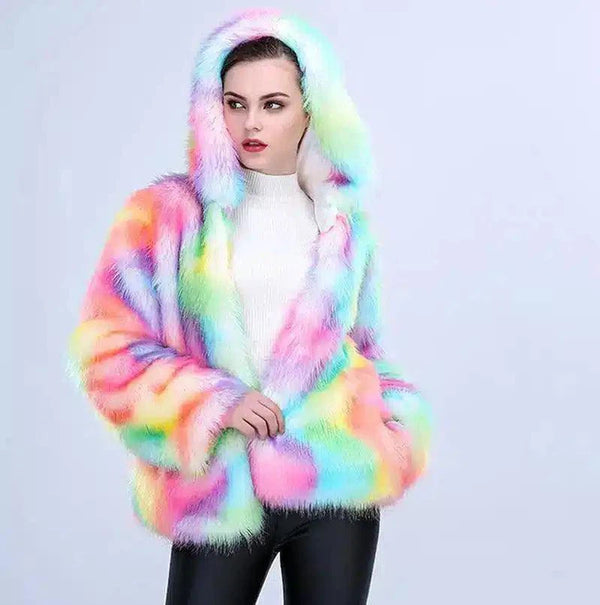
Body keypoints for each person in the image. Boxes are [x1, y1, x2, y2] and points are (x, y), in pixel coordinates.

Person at [66, 8, 434, 605]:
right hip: (220, 490)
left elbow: (365, 349)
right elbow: (106, 348)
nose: (251, 123)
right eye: (234, 104)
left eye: (273, 104)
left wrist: (394, 434)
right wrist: (214, 402)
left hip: (333, 481)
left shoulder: (342, 225)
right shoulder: (168, 215)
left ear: (309, 110)